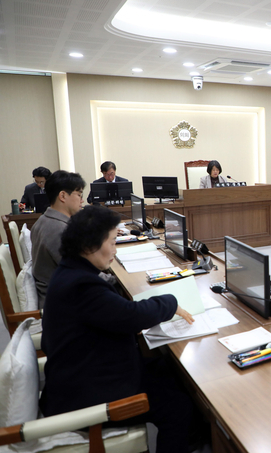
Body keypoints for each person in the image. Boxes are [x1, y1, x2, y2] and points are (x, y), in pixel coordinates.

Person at [39, 205, 201, 452]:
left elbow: (114, 315)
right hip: (86, 395)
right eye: (113, 242)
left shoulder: (70, 272)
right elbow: (132, 315)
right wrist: (171, 303)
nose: (115, 250)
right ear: (89, 246)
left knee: (167, 369)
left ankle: (194, 437)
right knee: (178, 407)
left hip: (84, 372)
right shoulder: (82, 285)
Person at [31, 170, 86, 308]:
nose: (82, 200)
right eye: (79, 195)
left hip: (57, 294)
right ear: (63, 196)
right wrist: (115, 280)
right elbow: (84, 272)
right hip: (63, 303)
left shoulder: (43, 220)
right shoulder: (58, 229)